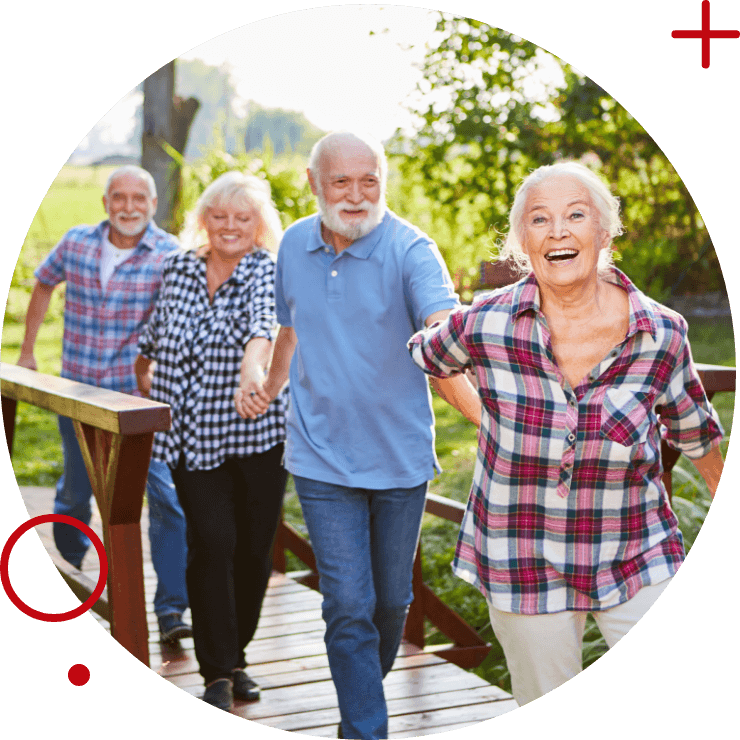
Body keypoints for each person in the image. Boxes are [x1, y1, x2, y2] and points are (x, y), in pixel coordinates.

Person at [408, 161, 725, 706]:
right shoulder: (486, 322)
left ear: (604, 232)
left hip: (635, 552)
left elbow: (697, 436)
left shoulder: (661, 332)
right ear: (522, 242)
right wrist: (483, 417)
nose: (558, 230)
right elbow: (428, 352)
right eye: (539, 219)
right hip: (522, 558)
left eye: (576, 215)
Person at [236, 131, 480, 739]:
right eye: (340, 181)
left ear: (383, 183)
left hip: (399, 460)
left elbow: (441, 329)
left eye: (368, 180)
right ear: (315, 185)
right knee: (347, 604)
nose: (355, 194)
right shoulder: (292, 244)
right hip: (319, 457)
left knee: (389, 603)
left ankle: (359, 706)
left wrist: (489, 414)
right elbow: (289, 327)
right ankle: (365, 729)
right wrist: (269, 385)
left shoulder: (411, 251)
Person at [135, 171, 289, 711]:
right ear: (204, 220)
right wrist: (146, 388)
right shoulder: (177, 267)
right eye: (219, 217)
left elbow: (263, 327)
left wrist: (254, 370)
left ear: (258, 225)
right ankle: (218, 671)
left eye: (242, 218)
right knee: (213, 544)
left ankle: (237, 656)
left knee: (252, 551)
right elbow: (153, 339)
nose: (229, 227)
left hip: (258, 436)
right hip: (191, 439)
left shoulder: (267, 269)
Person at [18, 165, 191, 643]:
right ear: (106, 202)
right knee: (76, 493)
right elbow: (43, 282)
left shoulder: (170, 253)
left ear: (153, 205)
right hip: (76, 395)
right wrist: (28, 350)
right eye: (120, 197)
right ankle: (70, 574)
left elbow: (181, 318)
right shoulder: (76, 242)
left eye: (140, 198)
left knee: (166, 498)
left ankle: (173, 610)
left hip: (138, 403)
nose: (129, 207)